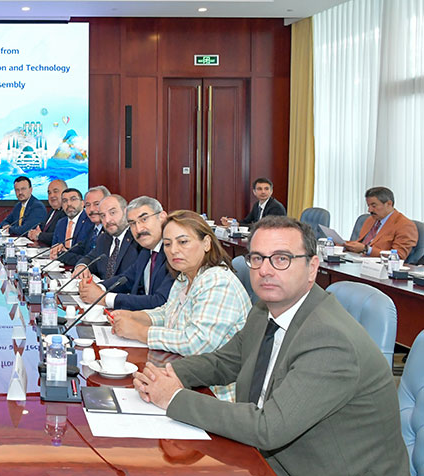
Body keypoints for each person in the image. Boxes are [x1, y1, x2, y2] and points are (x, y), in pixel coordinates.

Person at [133, 216, 408, 476]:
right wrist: (167, 375)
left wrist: (173, 398)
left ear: (312, 267)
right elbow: (224, 362)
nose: (265, 270)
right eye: (257, 258)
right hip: (267, 456)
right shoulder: (265, 310)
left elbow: (268, 427)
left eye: (281, 259)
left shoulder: (330, 340)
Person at [110, 210, 251, 401]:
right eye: (167, 244)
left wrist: (140, 331)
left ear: (206, 243)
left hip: (214, 394)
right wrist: (135, 316)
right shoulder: (185, 277)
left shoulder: (218, 281)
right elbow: (168, 312)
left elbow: (196, 342)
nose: (173, 250)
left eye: (183, 242)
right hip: (185, 377)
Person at [79, 196, 174, 311]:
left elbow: (160, 301)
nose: (138, 229)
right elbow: (127, 278)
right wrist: (99, 287)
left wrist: (104, 298)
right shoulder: (146, 251)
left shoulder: (173, 252)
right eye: (132, 223)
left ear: (162, 217)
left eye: (144, 219)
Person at [344, 186, 419, 259]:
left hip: (380, 265)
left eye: (374, 206)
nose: (369, 210)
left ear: (389, 204)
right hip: (358, 260)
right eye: (368, 206)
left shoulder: (405, 225)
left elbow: (398, 256)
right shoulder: (370, 219)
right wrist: (343, 244)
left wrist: (367, 250)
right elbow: (360, 243)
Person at [76, 194, 139, 281]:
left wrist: (102, 287)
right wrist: (82, 266)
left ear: (126, 212)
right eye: (103, 216)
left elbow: (132, 279)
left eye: (112, 213)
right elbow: (90, 258)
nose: (107, 220)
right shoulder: (104, 238)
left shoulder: (137, 239)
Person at [48, 188, 93, 266]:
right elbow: (54, 248)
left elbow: (87, 257)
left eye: (73, 199)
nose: (68, 204)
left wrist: (64, 255)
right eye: (65, 201)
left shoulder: (90, 222)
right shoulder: (61, 223)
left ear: (82, 203)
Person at [220, 178, 286, 226]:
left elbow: (263, 227)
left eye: (266, 189)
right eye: (259, 189)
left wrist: (237, 224)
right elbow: (246, 221)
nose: (263, 192)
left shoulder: (276, 207)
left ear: (271, 191)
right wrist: (232, 222)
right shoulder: (257, 205)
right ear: (254, 192)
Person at [28, 179, 67, 245]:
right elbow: (42, 229)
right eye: (49, 193)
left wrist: (39, 235)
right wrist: (33, 232)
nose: (52, 195)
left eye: (55, 191)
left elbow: (60, 236)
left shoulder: (67, 212)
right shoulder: (52, 211)